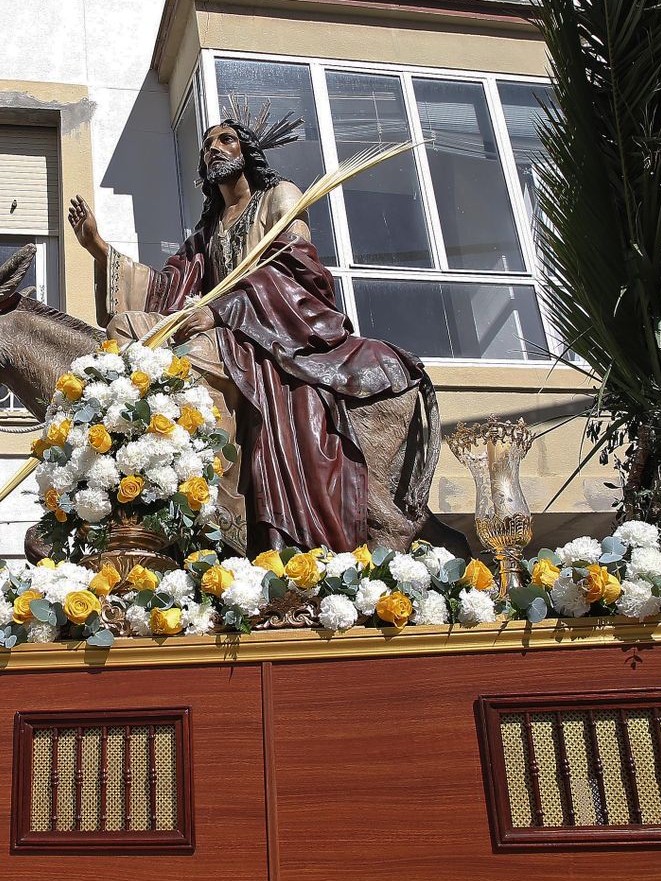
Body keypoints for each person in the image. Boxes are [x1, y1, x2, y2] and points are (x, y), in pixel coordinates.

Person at [67, 118, 423, 554]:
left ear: (246, 151)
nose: (213, 148)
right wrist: (98, 247)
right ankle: (134, 440)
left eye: (226, 140)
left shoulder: (279, 196)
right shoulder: (208, 231)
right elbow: (167, 288)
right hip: (215, 325)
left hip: (268, 330)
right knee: (124, 328)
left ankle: (224, 505)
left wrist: (220, 311)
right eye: (207, 144)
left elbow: (298, 270)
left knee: (189, 357)